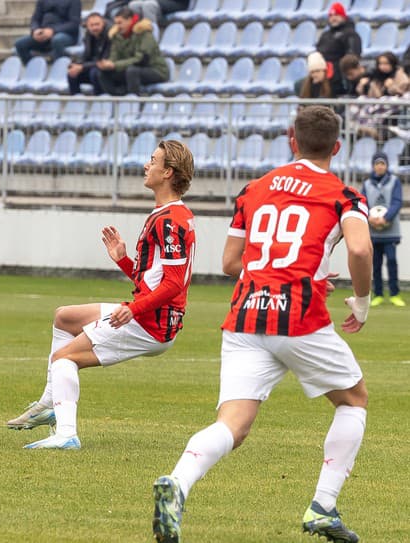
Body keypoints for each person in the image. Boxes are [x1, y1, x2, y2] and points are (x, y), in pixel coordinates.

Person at [151, 105, 373, 543]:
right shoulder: (343, 195)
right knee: (353, 400)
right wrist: (361, 302)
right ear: (338, 147)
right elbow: (362, 250)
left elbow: (231, 262)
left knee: (233, 423)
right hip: (298, 317)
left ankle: (177, 482)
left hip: (246, 313)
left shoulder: (255, 188)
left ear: (292, 140)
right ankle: (323, 507)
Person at [7, 140, 195, 449]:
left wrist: (134, 310)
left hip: (151, 322)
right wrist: (122, 259)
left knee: (63, 359)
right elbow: (154, 280)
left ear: (168, 172)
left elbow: (174, 286)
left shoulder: (170, 221)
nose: (146, 166)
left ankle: (66, 434)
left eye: (153, 160)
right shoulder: (170, 214)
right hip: (151, 314)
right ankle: (49, 403)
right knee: (65, 317)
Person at [361, 152, 404, 307]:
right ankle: (378, 294)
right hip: (373, 231)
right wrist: (370, 218)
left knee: (392, 261)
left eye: (383, 163)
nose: (380, 166)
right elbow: (362, 203)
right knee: (376, 264)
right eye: (377, 163)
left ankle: (395, 294)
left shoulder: (395, 181)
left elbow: (397, 202)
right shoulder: (366, 184)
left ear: (386, 165)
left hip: (390, 231)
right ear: (373, 166)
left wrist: (385, 218)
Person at [97, 7, 169, 96]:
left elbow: (140, 59)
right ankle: (117, 98)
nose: (117, 26)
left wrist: (115, 65)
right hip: (129, 68)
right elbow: (114, 56)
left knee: (132, 71)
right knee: (102, 73)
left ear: (130, 20)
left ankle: (134, 102)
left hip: (155, 69)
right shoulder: (116, 36)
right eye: (116, 23)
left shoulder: (144, 33)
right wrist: (108, 64)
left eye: (120, 23)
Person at [14, 0, 81, 65]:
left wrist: (53, 31)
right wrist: (35, 30)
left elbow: (74, 24)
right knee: (20, 44)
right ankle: (33, 68)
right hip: (44, 34)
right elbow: (35, 19)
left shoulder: (74, 1)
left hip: (66, 35)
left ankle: (60, 68)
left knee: (57, 40)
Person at [316, 2, 362, 96]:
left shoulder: (351, 34)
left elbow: (352, 57)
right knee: (301, 84)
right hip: (323, 72)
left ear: (343, 16)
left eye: (337, 15)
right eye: (331, 15)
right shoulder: (325, 35)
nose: (333, 18)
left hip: (339, 75)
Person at [67, 12, 111, 96]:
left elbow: (104, 60)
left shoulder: (109, 36)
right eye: (92, 25)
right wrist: (76, 65)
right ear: (87, 26)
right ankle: (77, 103)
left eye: (97, 24)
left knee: (94, 73)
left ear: (103, 23)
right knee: (72, 74)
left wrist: (82, 66)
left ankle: (98, 102)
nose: (95, 27)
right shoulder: (88, 36)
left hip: (106, 69)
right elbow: (86, 57)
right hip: (92, 66)